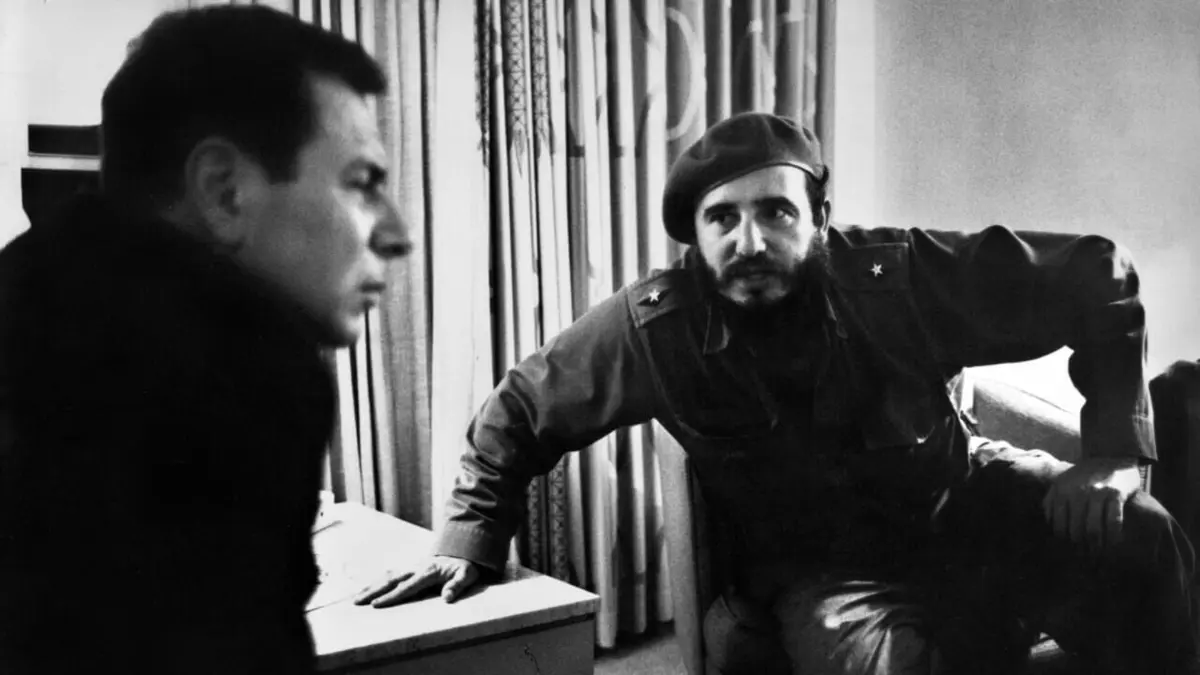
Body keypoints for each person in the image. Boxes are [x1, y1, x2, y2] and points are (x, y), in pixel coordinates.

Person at [356, 111, 1197, 674]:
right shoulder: (652, 329)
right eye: (722, 219)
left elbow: (1099, 273)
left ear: (819, 218)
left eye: (776, 213)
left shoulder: (901, 275)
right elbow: (519, 408)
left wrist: (1115, 452)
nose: (750, 241)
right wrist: (468, 540)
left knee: (1144, 534)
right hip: (826, 571)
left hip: (964, 496)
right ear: (695, 239)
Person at [0, 6, 409, 674]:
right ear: (224, 191)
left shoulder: (32, 286)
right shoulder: (245, 376)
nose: (395, 235)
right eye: (361, 183)